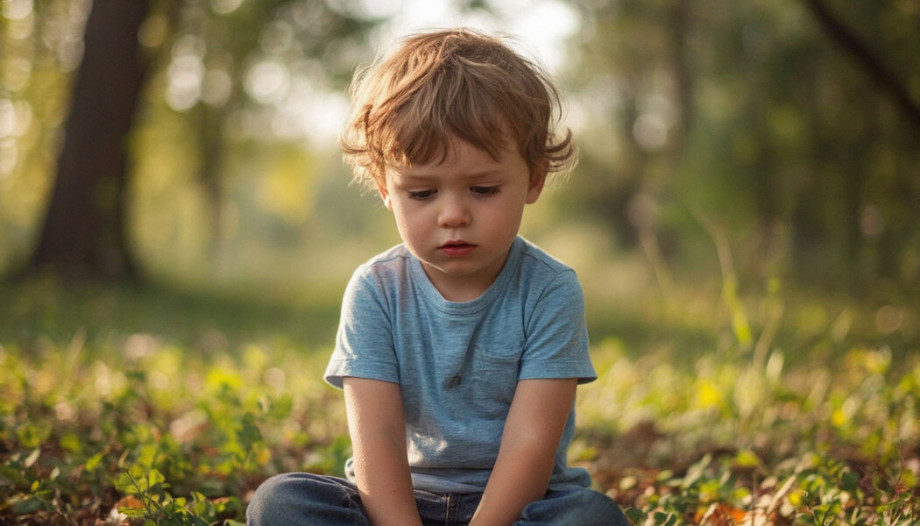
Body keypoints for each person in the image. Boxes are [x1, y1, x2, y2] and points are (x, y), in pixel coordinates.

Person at [247, 28, 629, 526]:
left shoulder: (549, 290)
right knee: (281, 503)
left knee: (591, 517)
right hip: (397, 506)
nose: (453, 215)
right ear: (386, 187)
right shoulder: (376, 290)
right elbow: (377, 440)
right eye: (423, 194)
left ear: (533, 178)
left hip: (517, 509)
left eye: (484, 188)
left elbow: (529, 444)